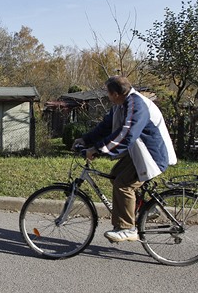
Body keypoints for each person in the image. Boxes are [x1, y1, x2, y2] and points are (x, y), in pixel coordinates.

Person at [72, 76, 176, 242]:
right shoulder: (121, 104)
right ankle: (145, 209)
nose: (107, 96)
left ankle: (128, 228)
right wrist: (85, 140)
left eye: (108, 93)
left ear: (115, 94)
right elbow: (105, 127)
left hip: (152, 156)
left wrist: (97, 149)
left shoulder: (137, 105)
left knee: (123, 184)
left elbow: (127, 135)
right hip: (140, 153)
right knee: (116, 176)